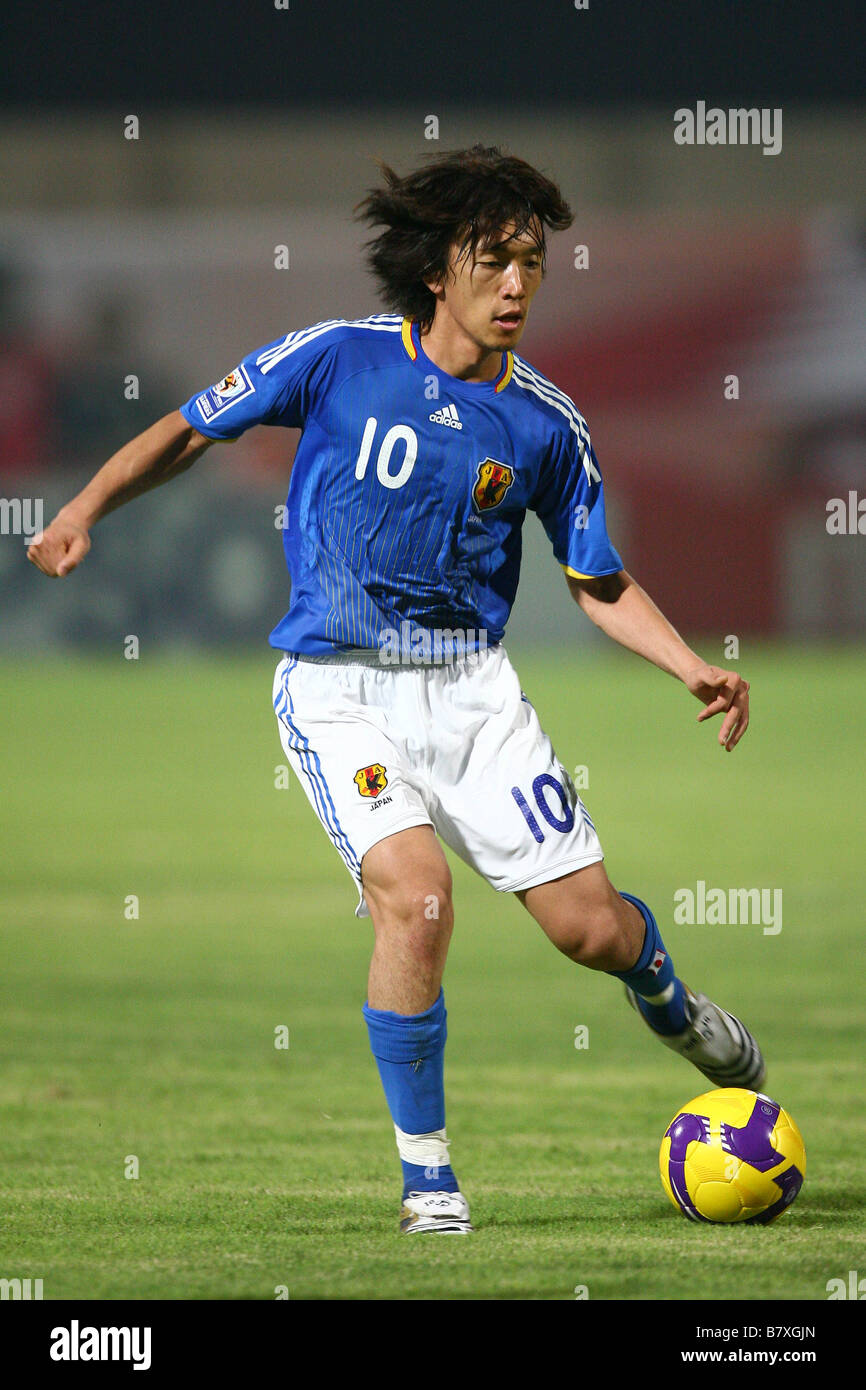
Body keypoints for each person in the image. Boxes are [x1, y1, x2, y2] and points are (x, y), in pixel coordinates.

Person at [27, 146, 762, 1236]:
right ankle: (429, 1183)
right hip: (340, 693)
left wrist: (687, 661)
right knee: (415, 900)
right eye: (493, 259)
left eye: (532, 263)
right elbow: (190, 426)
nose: (516, 284)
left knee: (591, 932)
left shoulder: (545, 425)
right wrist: (82, 507)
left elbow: (595, 580)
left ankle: (673, 1004)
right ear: (438, 269)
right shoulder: (336, 358)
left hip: (472, 696)